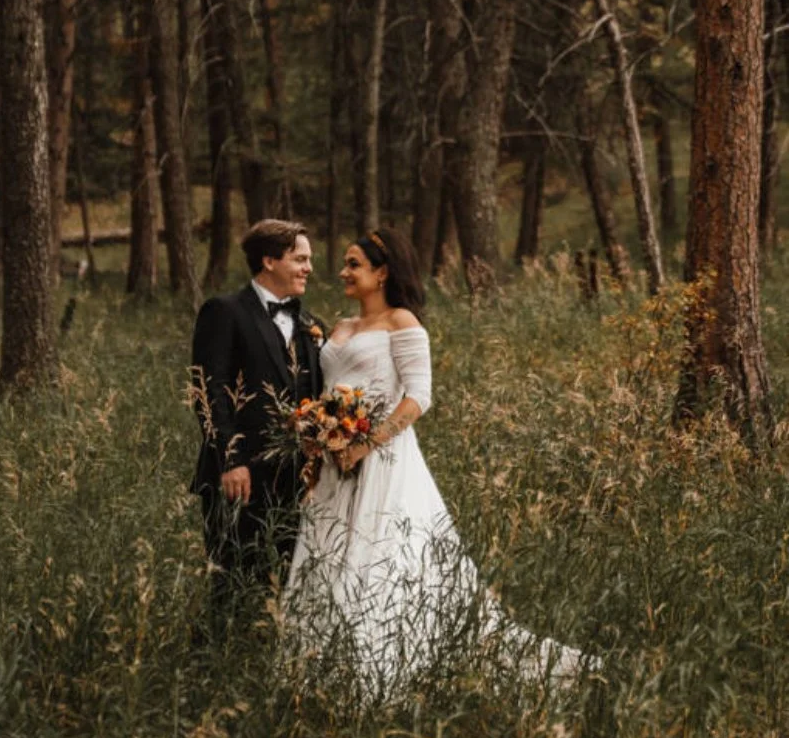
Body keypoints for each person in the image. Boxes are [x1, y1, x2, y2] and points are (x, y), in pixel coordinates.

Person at [283, 225, 599, 694]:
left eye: (354, 265)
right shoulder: (341, 328)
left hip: (383, 458)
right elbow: (327, 390)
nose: (343, 272)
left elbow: (419, 397)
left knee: (381, 558)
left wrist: (366, 444)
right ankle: (318, 669)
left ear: (383, 273)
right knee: (329, 552)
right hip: (332, 461)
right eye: (345, 264)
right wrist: (320, 433)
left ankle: (379, 667)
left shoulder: (402, 323)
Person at [190, 218, 325, 637]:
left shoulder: (309, 324)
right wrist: (231, 461)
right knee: (232, 583)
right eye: (299, 259)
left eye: (308, 260)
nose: (308, 268)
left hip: (295, 482)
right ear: (269, 261)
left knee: (286, 585)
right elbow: (208, 391)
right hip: (240, 479)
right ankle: (215, 659)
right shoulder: (224, 311)